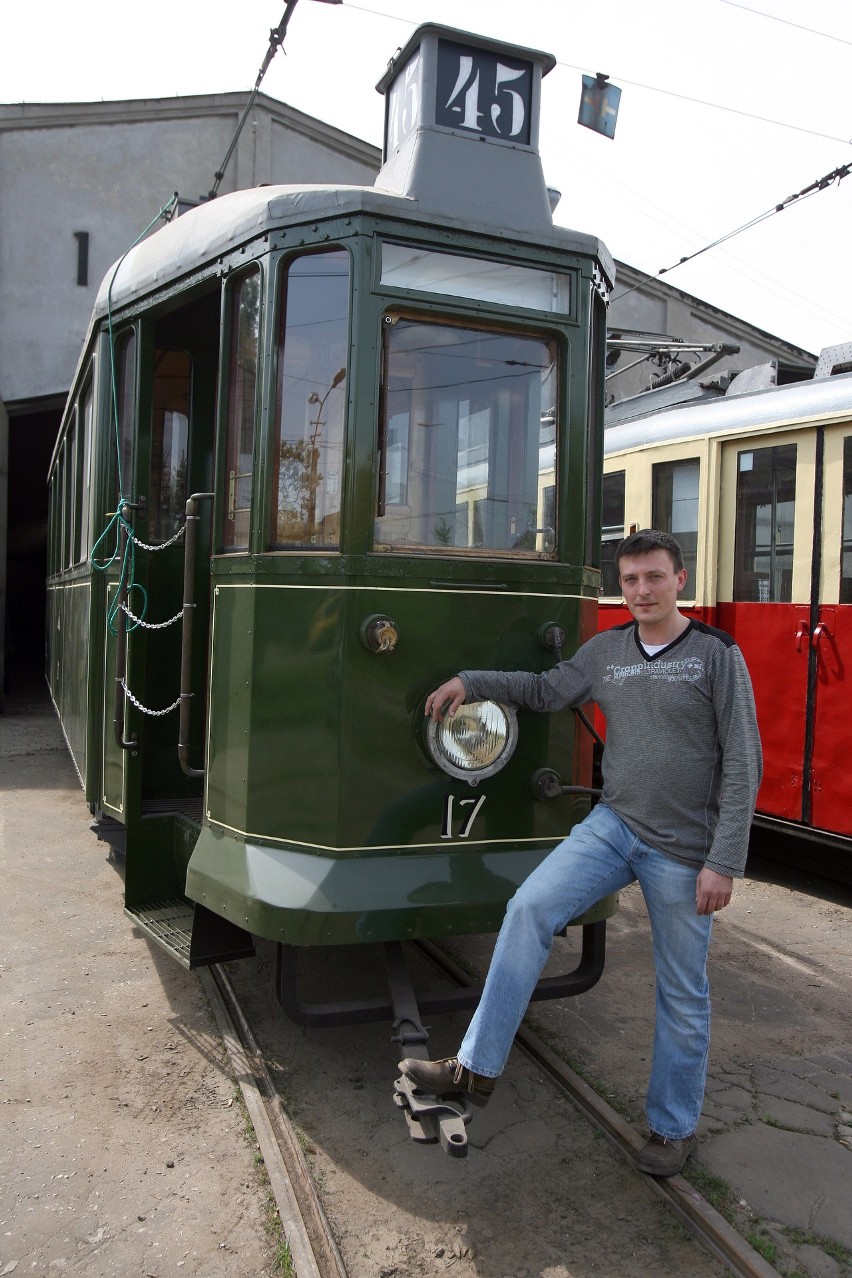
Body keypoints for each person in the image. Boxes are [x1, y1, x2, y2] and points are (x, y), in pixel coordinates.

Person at [399, 529, 762, 1176]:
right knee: (530, 907)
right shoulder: (608, 652)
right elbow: (544, 690)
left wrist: (724, 860)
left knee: (682, 993)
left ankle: (672, 1129)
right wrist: (470, 680)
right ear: (619, 588)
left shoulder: (715, 656)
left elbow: (742, 763)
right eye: (630, 581)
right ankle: (474, 1068)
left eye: (654, 577)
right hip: (614, 826)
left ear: (681, 580)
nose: (643, 591)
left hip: (684, 850)